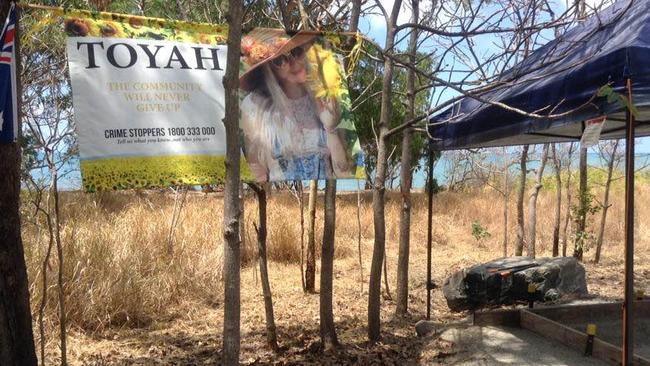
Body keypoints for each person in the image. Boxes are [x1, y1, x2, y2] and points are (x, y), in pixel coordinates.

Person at [239, 28, 352, 182]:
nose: (294, 63)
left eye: (297, 52)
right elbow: (257, 174)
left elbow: (343, 174)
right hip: (283, 202)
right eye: (280, 61)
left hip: (323, 200)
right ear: (269, 70)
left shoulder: (325, 98)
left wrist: (330, 128)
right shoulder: (255, 108)